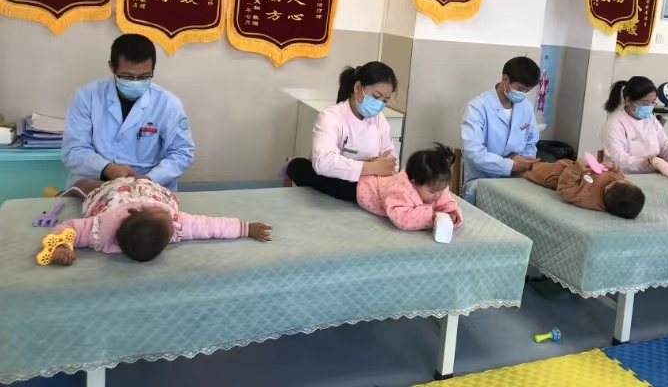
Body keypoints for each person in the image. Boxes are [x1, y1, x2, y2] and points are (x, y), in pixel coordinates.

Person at [61, 34, 194, 191]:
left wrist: (148, 180)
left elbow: (181, 153)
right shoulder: (87, 97)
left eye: (144, 77)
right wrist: (107, 169)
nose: (135, 82)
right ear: (112, 67)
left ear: (153, 69)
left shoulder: (168, 104)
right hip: (96, 182)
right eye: (127, 76)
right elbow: (73, 150)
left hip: (150, 186)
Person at [43, 177, 271, 266]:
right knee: (139, 179)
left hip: (112, 195)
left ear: (134, 212)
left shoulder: (99, 227)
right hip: (144, 189)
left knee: (85, 187)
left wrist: (60, 245)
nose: (172, 217)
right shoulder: (177, 224)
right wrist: (245, 228)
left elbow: (67, 227)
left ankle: (60, 193)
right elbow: (210, 226)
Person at [286, 62, 398, 199]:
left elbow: (391, 160)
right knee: (327, 180)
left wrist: (380, 165)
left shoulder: (379, 119)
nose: (379, 104)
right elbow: (324, 162)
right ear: (357, 87)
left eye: (385, 100)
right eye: (376, 96)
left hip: (368, 184)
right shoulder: (331, 116)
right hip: (340, 182)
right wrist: (371, 167)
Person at [461, 57, 541, 204]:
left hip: (515, 179)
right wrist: (510, 165)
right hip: (482, 180)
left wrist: (523, 160)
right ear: (505, 79)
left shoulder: (526, 107)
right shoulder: (478, 107)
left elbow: (531, 143)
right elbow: (474, 153)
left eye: (527, 91)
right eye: (520, 89)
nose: (523, 94)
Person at [358, 143, 463, 230]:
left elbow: (447, 202)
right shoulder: (401, 192)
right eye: (432, 191)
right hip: (369, 187)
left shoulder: (438, 187)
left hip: (388, 180)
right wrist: (431, 216)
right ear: (414, 183)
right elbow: (401, 217)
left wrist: (451, 213)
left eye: (442, 190)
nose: (438, 195)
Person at [601, 76, 668, 174]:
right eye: (645, 103)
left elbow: (666, 145)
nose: (649, 107)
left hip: (651, 174)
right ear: (628, 101)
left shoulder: (650, 119)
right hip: (623, 176)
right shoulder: (615, 123)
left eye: (653, 102)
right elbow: (618, 158)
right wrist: (649, 162)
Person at [522, 157, 645, 219]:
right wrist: (613, 166)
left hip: (558, 175)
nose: (621, 179)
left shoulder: (589, 198)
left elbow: (565, 189)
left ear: (608, 188)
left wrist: (576, 169)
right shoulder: (619, 184)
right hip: (572, 165)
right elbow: (619, 174)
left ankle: (517, 161)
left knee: (532, 168)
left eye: (620, 182)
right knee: (541, 161)